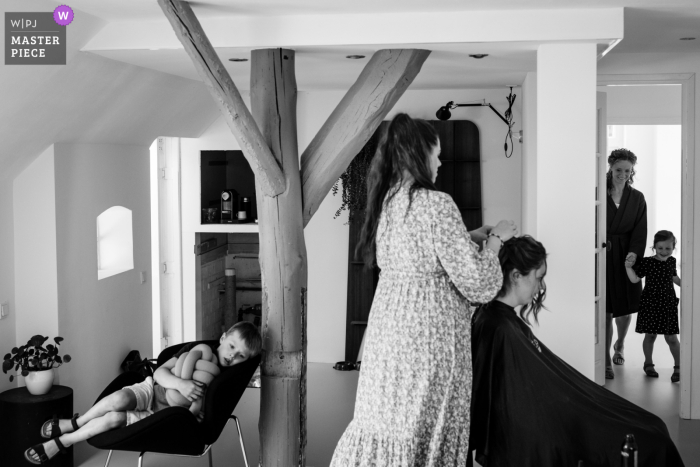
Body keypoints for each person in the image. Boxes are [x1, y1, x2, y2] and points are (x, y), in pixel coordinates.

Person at [330, 113, 518, 466]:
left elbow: (423, 253)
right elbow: (479, 284)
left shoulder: (386, 201)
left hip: (389, 335)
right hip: (428, 339)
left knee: (390, 422)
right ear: (420, 155)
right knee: (425, 423)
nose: (441, 162)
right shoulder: (437, 204)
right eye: (437, 154)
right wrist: (495, 240)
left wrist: (468, 237)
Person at [469, 236, 684, 467]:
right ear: (515, 276)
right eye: (539, 278)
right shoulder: (501, 328)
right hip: (554, 420)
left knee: (651, 424)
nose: (541, 287)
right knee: (653, 438)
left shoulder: (494, 317)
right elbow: (518, 401)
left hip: (563, 408)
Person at [24, 322, 262, 465]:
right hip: (154, 389)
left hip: (165, 415)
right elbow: (160, 373)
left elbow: (198, 414)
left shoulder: (223, 380)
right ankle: (76, 422)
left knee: (115, 418)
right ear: (222, 338)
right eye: (232, 346)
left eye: (240, 356)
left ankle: (62, 442)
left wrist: (192, 404)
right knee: (119, 399)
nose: (232, 356)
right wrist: (180, 384)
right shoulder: (200, 352)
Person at [606, 148, 647, 379]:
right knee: (605, 308)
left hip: (626, 256)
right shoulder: (598, 193)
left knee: (624, 306)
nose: (622, 173)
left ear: (632, 171)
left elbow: (640, 230)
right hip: (602, 253)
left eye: (627, 170)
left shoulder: (637, 198)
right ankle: (604, 359)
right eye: (618, 169)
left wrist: (633, 255)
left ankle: (620, 345)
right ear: (611, 167)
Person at [625, 230, 682, 382]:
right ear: (654, 247)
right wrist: (628, 267)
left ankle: (679, 366)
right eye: (660, 248)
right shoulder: (648, 262)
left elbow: (675, 278)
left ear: (673, 248)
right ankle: (648, 364)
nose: (664, 252)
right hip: (650, 303)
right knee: (650, 335)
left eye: (668, 248)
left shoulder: (671, 261)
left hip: (667, 303)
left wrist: (688, 285)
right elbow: (635, 280)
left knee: (671, 338)